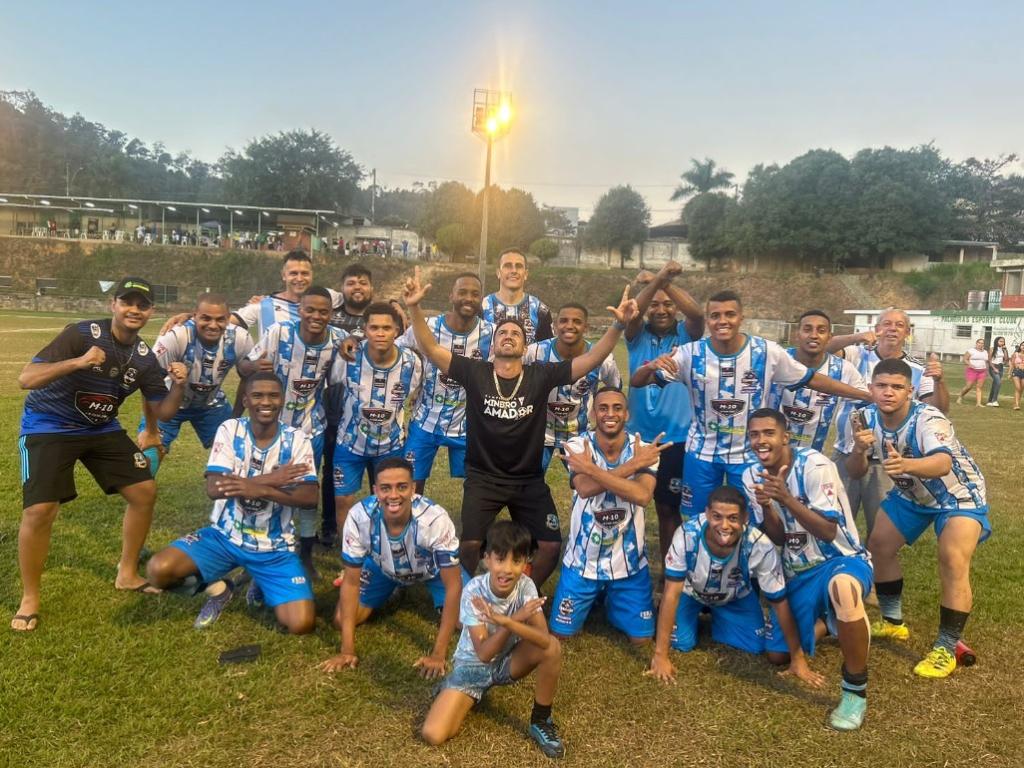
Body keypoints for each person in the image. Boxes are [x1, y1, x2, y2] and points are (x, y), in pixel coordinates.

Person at [404, 266, 638, 588]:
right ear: (493, 343)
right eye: (502, 333)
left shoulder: (541, 375)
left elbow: (593, 358)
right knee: (470, 546)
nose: (509, 336)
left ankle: (520, 592)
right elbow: (431, 348)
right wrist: (414, 307)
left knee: (550, 547)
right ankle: (481, 593)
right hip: (483, 478)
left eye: (516, 334)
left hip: (527, 480)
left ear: (525, 346)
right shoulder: (475, 371)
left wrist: (618, 326)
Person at [14, 278, 187, 631]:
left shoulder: (144, 357)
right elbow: (26, 379)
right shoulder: (81, 334)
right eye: (128, 302)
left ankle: (126, 573)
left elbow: (162, 408)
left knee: (144, 491)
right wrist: (77, 362)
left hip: (100, 427)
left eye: (143, 305)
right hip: (49, 424)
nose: (134, 310)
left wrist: (177, 388)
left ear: (152, 312)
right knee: (40, 509)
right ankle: (30, 597)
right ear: (113, 305)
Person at [631, 290, 869, 520]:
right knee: (697, 518)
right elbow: (638, 381)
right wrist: (650, 367)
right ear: (708, 321)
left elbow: (812, 379)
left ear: (741, 318)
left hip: (750, 453)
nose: (722, 321)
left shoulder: (766, 352)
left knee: (755, 517)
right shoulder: (689, 353)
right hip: (701, 452)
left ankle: (748, 559)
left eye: (729, 315)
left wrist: (865, 395)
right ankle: (700, 559)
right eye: (715, 316)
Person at [144, 373, 318, 634]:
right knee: (159, 571)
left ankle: (260, 579)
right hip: (224, 537)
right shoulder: (230, 429)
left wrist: (253, 487)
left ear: (282, 399)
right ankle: (221, 590)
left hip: (275, 547)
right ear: (246, 400)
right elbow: (215, 489)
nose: (266, 401)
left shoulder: (297, 440)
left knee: (301, 624)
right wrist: (271, 480)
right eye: (258, 395)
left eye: (273, 395)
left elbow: (309, 497)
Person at [848, 358, 989, 679]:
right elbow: (855, 472)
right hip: (913, 494)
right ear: (871, 388)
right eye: (881, 386)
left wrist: (907, 466)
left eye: (897, 387)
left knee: (952, 558)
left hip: (958, 495)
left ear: (910, 391)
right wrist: (858, 451)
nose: (888, 393)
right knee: (879, 545)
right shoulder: (863, 418)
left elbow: (941, 463)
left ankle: (946, 646)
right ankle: (894, 622)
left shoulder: (928, 418)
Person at [741, 408, 873, 731]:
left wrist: (785, 498)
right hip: (797, 572)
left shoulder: (815, 465)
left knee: (842, 588)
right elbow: (779, 537)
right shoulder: (750, 476)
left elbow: (828, 531)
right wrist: (767, 506)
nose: (761, 441)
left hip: (840, 559)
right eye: (754, 434)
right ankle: (830, 622)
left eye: (768, 433)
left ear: (785, 436)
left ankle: (854, 692)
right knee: (777, 656)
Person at [647, 486, 823, 690]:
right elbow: (671, 594)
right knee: (682, 643)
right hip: (691, 593)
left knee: (757, 645)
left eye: (732, 518)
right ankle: (696, 617)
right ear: (706, 514)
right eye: (716, 517)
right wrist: (660, 656)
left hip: (735, 598)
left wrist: (797, 658)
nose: (724, 525)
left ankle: (820, 624)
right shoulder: (687, 534)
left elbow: (779, 603)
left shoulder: (759, 545)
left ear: (745, 518)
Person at [421, 521, 565, 758]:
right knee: (434, 734)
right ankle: (456, 691)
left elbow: (543, 639)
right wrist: (513, 621)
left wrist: (507, 621)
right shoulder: (474, 592)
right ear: (486, 559)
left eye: (516, 561)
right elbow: (484, 654)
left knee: (552, 648)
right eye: (500, 559)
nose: (507, 569)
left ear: (526, 562)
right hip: (472, 669)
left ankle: (541, 720)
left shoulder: (526, 586)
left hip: (505, 663)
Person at [319, 458, 463, 677]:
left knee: (472, 621)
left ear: (413, 488)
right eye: (386, 488)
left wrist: (438, 654)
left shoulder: (435, 520)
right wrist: (347, 650)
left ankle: (421, 594)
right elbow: (350, 582)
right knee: (341, 620)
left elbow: (453, 586)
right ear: (375, 490)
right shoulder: (359, 517)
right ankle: (393, 590)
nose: (394, 495)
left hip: (432, 571)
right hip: (381, 569)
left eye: (402, 487)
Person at [239, 286, 347, 576]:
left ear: (331, 315)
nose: (316, 316)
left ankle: (306, 552)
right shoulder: (280, 332)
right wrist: (251, 366)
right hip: (272, 427)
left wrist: (354, 343)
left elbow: (356, 347)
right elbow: (244, 365)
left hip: (312, 429)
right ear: (299, 309)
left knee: (307, 491)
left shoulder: (337, 339)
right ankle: (260, 545)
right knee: (265, 486)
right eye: (310, 309)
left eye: (323, 312)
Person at [550, 388, 667, 644]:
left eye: (617, 408)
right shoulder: (577, 445)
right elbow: (585, 488)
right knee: (561, 635)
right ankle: (597, 595)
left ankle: (612, 600)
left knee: (642, 640)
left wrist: (593, 469)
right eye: (603, 408)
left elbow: (642, 496)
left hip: (629, 564)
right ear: (593, 413)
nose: (610, 414)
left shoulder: (644, 449)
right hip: (582, 562)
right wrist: (633, 466)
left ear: (627, 414)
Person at [827, 308, 948, 534]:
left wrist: (939, 382)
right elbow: (825, 349)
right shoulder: (856, 355)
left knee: (880, 532)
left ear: (907, 333)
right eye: (887, 323)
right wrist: (856, 337)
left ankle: (877, 569)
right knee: (835, 524)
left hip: (887, 461)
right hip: (847, 452)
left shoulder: (917, 369)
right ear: (877, 328)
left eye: (899, 325)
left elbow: (937, 410)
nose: (892, 329)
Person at [625, 261, 704, 575]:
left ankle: (671, 574)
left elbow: (697, 314)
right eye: (654, 304)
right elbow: (631, 313)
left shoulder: (688, 334)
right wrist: (658, 281)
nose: (660, 309)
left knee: (669, 509)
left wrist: (662, 283)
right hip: (637, 437)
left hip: (677, 439)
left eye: (668, 305)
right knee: (630, 508)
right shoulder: (636, 334)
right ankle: (627, 569)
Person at [331, 302, 423, 539]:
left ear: (397, 331)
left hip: (390, 445)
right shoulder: (349, 356)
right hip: (350, 443)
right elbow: (328, 382)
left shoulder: (411, 363)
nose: (380, 333)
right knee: (343, 501)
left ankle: (390, 547)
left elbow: (417, 395)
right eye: (374, 328)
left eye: (386, 328)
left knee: (392, 501)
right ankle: (349, 557)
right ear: (365, 329)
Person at [398, 273, 494, 494]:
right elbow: (396, 349)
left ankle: (473, 528)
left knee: (478, 486)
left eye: (475, 294)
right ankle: (414, 523)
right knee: (411, 484)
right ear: (451, 296)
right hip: (425, 421)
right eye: (462, 292)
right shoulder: (428, 326)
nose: (468, 298)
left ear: (481, 299)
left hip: (467, 426)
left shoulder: (491, 333)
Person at [139, 293, 253, 472]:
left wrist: (235, 418)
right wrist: (150, 430)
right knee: (150, 454)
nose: (213, 325)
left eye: (220, 319)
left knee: (238, 451)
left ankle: (230, 495)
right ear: (195, 315)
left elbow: (248, 378)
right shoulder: (175, 337)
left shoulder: (241, 339)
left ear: (228, 319)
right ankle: (141, 495)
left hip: (211, 404)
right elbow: (149, 383)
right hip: (170, 400)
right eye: (205, 318)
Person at [524, 302, 621, 471]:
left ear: (586, 327)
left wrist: (603, 424)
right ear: (555, 325)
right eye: (563, 321)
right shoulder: (535, 352)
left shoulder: (603, 358)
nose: (569, 326)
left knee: (585, 485)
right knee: (526, 485)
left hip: (579, 434)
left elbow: (616, 390)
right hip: (537, 434)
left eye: (577, 321)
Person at [321, 264, 375, 546]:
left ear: (371, 288)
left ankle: (379, 523)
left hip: (373, 401)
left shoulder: (380, 315)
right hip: (336, 401)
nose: (357, 287)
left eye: (363, 282)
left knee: (376, 468)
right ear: (341, 288)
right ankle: (330, 523)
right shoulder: (330, 315)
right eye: (351, 282)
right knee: (333, 466)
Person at [767, 309, 866, 452]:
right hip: (771, 454)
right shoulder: (777, 360)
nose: (814, 335)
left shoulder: (844, 369)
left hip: (815, 457)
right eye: (807, 329)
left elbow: (867, 402)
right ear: (797, 334)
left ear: (829, 337)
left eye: (821, 331)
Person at [480, 248, 553, 345]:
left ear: (526, 274)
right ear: (498, 273)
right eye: (508, 266)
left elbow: (546, 350)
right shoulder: (481, 307)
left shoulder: (540, 311)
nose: (514, 270)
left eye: (518, 266)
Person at [956, 339, 989, 407]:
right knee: (969, 386)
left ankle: (978, 403)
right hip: (972, 370)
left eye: (982, 343)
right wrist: (970, 364)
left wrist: (986, 370)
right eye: (979, 343)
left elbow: (985, 361)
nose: (981, 344)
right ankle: (960, 396)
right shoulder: (971, 351)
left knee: (979, 387)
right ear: (976, 343)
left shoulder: (985, 352)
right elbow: (965, 359)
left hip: (982, 371)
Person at [986, 336, 1007, 406]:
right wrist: (994, 368)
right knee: (998, 382)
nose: (1002, 342)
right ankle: (994, 400)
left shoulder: (1003, 349)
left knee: (995, 384)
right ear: (996, 341)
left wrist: (1005, 350)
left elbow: (1006, 359)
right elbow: (989, 360)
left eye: (1003, 341)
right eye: (1000, 341)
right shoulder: (992, 349)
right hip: (993, 367)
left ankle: (989, 401)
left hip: (1000, 367)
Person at [1011, 342, 1024, 410]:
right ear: (1020, 346)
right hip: (1016, 372)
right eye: (1022, 345)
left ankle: (1017, 403)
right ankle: (1016, 404)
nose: (1023, 346)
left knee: (1021, 389)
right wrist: (1009, 373)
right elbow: (1012, 364)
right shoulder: (1015, 354)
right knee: (1018, 388)